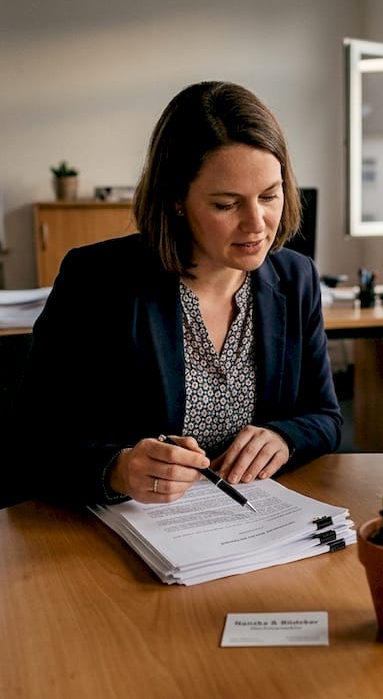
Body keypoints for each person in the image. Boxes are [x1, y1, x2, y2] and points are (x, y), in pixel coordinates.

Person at [22, 81, 341, 507]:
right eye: (227, 204)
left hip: (251, 525)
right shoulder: (97, 280)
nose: (257, 224)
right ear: (176, 200)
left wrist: (285, 436)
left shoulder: (296, 277)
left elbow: (326, 416)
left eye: (269, 195)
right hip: (121, 533)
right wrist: (117, 468)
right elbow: (32, 444)